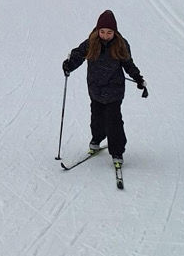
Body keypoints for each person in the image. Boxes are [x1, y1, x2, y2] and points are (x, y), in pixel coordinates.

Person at [62, 9, 148, 160]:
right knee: (97, 117)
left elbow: (128, 64)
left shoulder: (121, 44)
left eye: (109, 32)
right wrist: (69, 65)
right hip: (95, 88)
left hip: (114, 89)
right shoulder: (91, 43)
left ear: (114, 32)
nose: (106, 36)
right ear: (97, 30)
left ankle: (117, 152)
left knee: (113, 120)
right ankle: (97, 139)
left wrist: (138, 78)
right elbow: (78, 55)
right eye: (102, 32)